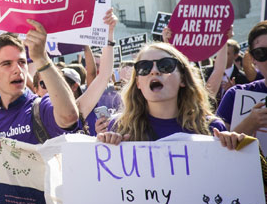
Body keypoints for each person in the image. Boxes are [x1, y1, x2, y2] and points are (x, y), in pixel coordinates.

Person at [98, 42, 243, 148]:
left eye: (165, 65)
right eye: (144, 67)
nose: (154, 71)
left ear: (183, 79)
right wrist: (107, 147)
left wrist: (234, 146)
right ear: (138, 83)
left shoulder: (212, 128)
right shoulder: (120, 127)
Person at [0, 22, 79, 150]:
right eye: (7, 64)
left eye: (22, 62)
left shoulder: (40, 108)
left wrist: (42, 59)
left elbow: (69, 116)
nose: (18, 70)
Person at [218, 21, 267, 134]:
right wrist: (249, 124)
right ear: (252, 59)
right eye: (261, 53)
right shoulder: (235, 96)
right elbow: (215, 147)